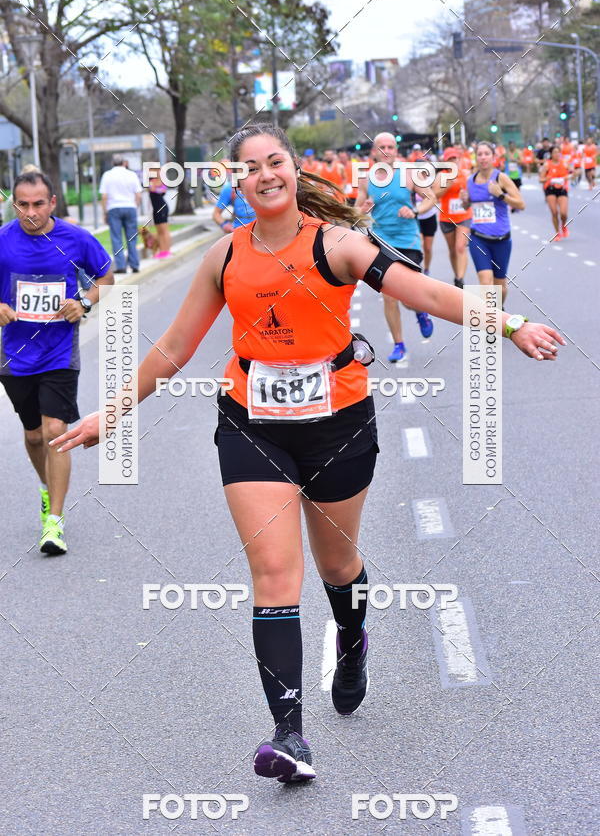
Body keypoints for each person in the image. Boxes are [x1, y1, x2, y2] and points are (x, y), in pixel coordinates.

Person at [51, 124, 564, 785]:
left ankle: (351, 640)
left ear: (293, 170)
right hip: (252, 424)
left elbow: (425, 291)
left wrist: (511, 323)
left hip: (337, 426)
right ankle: (289, 734)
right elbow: (175, 347)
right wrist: (111, 413)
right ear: (236, 181)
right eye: (251, 167)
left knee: (338, 564)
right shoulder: (224, 257)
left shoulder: (337, 244)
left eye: (276, 162)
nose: (266, 174)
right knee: (273, 572)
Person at [0, 170, 113, 554]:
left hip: (59, 352)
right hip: (14, 354)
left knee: (54, 430)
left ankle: (55, 522)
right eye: (22, 204)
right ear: (14, 204)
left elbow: (106, 278)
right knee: (34, 435)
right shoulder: (3, 240)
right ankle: (47, 489)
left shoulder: (76, 239)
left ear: (52, 203)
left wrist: (83, 302)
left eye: (38, 204)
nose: (30, 212)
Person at [356, 132, 435, 363]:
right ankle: (399, 344)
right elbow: (355, 211)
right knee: (389, 296)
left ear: (396, 150)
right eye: (382, 147)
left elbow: (431, 198)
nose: (387, 151)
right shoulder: (366, 179)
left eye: (391, 146)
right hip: (381, 242)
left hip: (408, 241)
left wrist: (415, 210)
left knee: (409, 298)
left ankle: (420, 311)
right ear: (374, 151)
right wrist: (363, 210)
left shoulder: (408, 174)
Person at [460, 140, 525, 308]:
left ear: (493, 157)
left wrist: (500, 195)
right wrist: (465, 201)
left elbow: (521, 204)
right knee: (485, 281)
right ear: (476, 157)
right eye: (479, 154)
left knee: (500, 286)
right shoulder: (470, 180)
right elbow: (468, 206)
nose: (483, 157)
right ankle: (491, 318)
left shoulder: (501, 178)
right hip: (478, 237)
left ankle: (498, 310)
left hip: (501, 239)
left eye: (486, 154)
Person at [420, 145, 471, 288]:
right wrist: (447, 185)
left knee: (460, 247)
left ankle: (460, 279)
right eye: (450, 159)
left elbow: (472, 194)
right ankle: (457, 275)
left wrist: (467, 197)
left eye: (455, 158)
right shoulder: (441, 176)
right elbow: (434, 196)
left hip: (464, 216)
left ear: (459, 159)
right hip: (446, 218)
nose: (453, 161)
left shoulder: (465, 174)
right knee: (453, 250)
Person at [99, 154, 142, 274]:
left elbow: (104, 196)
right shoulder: (132, 174)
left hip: (114, 208)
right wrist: (135, 206)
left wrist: (105, 212)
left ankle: (121, 266)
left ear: (112, 163)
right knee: (132, 238)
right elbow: (138, 195)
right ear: (124, 163)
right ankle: (134, 265)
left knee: (116, 238)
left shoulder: (107, 175)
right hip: (130, 207)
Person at [539, 145, 571, 239]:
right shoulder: (547, 165)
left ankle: (563, 226)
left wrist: (570, 176)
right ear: (551, 154)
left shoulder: (564, 163)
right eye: (555, 152)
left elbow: (573, 173)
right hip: (550, 189)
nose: (557, 154)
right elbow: (541, 179)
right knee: (554, 212)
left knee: (563, 213)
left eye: (558, 152)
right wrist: (547, 179)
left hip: (562, 189)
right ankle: (557, 233)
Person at [147, 166, 172, 258]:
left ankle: (167, 251)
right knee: (159, 231)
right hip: (156, 209)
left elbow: (162, 190)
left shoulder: (160, 182)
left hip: (161, 208)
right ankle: (162, 251)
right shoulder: (151, 181)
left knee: (164, 230)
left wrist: (155, 188)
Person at [505, 142, 523, 210]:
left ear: (515, 146)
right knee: (509, 190)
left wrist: (515, 160)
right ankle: (512, 205)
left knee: (517, 190)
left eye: (513, 145)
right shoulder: (506, 153)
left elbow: (522, 161)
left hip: (517, 174)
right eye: (510, 146)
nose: (512, 147)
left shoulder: (518, 153)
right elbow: (501, 158)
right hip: (509, 174)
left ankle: (517, 203)